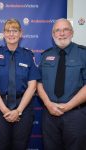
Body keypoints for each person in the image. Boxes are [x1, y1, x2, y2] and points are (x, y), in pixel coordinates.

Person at [0, 19, 41, 150]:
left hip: (23, 107)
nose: (11, 34)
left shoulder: (28, 56)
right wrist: (5, 110)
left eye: (15, 31)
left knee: (20, 146)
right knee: (1, 146)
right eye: (8, 31)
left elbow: (32, 86)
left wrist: (18, 111)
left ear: (20, 34)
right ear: (3, 34)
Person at [37, 18, 86, 150]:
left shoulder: (83, 53)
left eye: (65, 29)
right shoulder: (45, 55)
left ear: (72, 32)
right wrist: (48, 104)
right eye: (57, 30)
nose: (62, 33)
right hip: (49, 115)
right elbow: (38, 82)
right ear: (53, 35)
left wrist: (68, 106)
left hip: (76, 116)